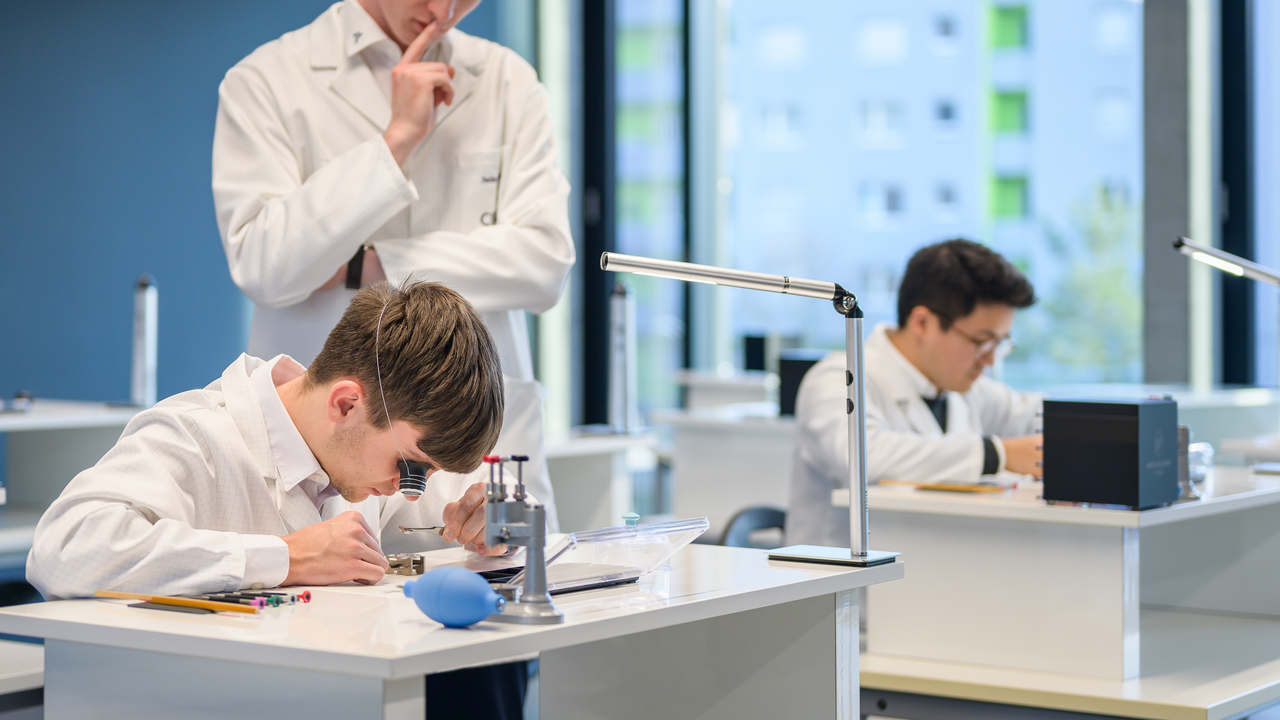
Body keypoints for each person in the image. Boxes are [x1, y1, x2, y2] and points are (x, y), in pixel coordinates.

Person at [28, 281, 527, 717]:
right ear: (346, 404)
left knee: (484, 666)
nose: (408, 485)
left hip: (318, 696)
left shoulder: (366, 453)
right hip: (189, 701)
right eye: (412, 467)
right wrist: (286, 558)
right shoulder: (195, 436)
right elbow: (65, 551)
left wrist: (497, 515)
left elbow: (477, 505)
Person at [212, 0, 575, 533]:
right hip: (329, 442)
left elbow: (544, 263)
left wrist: (370, 264)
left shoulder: (507, 80)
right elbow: (265, 266)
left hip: (467, 447)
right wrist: (395, 141)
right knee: (310, 578)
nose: (442, 9)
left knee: (503, 569)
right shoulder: (267, 80)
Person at [786, 239, 1043, 548]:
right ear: (923, 322)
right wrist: (997, 455)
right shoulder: (838, 378)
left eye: (999, 344)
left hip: (933, 564)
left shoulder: (964, 389)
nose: (989, 360)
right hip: (841, 575)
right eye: (981, 341)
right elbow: (866, 459)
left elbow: (1039, 416)